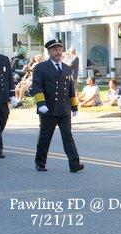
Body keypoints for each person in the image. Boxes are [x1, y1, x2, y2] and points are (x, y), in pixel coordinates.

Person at [31, 39, 84, 172]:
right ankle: (40, 162)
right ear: (49, 51)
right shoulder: (41, 67)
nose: (58, 52)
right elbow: (37, 87)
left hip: (63, 109)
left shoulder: (66, 68)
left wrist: (74, 106)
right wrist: (41, 103)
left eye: (60, 49)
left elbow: (70, 88)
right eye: (55, 49)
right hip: (48, 109)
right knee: (45, 137)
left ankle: (74, 164)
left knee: (68, 137)